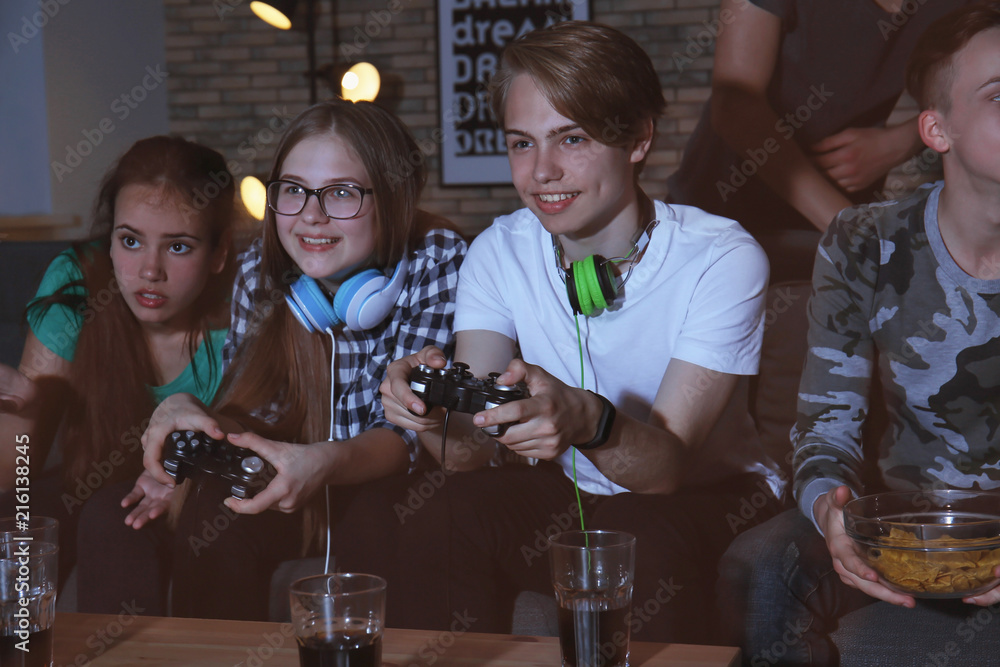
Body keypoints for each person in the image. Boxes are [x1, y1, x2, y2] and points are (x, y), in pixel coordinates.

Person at [378, 20, 784, 644]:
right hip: (569, 491)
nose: (541, 172)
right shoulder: (497, 253)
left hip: (705, 495)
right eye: (521, 143)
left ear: (638, 139)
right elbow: (467, 455)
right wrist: (432, 412)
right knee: (443, 510)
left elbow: (666, 467)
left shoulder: (722, 258)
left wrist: (587, 419)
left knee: (635, 530)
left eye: (571, 139)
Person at [717, 4, 1000, 664]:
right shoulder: (862, 241)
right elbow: (826, 424)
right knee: (760, 563)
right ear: (937, 128)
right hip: (900, 518)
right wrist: (830, 514)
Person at [137, 99, 467, 620]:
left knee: (378, 512)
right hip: (297, 473)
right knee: (213, 503)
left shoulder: (438, 260)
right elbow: (260, 417)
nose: (310, 216)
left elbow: (409, 432)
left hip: (400, 483)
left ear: (393, 198)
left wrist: (327, 462)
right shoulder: (259, 270)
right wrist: (189, 416)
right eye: (292, 190)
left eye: (340, 193)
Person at [0, 135, 236, 612]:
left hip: (202, 493)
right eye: (130, 241)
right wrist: (23, 407)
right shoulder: (78, 284)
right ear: (109, 242)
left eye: (179, 247)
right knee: (17, 522)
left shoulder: (244, 309)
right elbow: (15, 477)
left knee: (116, 522)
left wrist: (186, 487)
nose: (149, 271)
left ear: (217, 254)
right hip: (84, 480)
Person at [667, 0, 970, 283]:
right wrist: (852, 228)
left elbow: (982, 94)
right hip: (720, 218)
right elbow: (734, 104)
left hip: (840, 232)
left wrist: (904, 140)